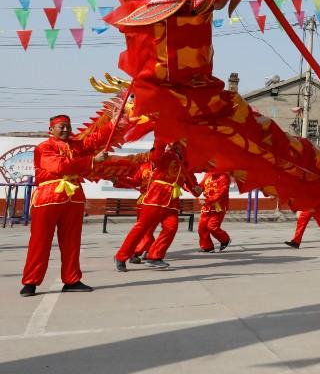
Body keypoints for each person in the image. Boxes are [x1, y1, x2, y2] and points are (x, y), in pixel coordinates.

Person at [20, 114, 108, 296]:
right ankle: (31, 282)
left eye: (68, 126)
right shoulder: (45, 147)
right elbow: (60, 167)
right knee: (39, 242)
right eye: (62, 126)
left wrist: (116, 120)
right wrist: (91, 161)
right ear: (50, 130)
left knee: (72, 242)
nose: (66, 129)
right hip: (48, 198)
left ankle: (72, 279)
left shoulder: (76, 146)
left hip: (73, 198)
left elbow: (95, 140)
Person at [114, 140, 202, 271]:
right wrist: (161, 138)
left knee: (171, 228)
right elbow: (155, 157)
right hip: (155, 198)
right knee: (142, 229)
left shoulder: (186, 166)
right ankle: (121, 256)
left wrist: (197, 190)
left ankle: (155, 257)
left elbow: (193, 188)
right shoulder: (165, 156)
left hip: (172, 202)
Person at [198, 171, 232, 253]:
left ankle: (225, 240)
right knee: (202, 228)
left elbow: (221, 193)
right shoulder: (207, 175)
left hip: (218, 207)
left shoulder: (224, 176)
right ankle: (207, 247)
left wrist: (207, 200)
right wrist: (193, 188)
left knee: (212, 226)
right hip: (206, 207)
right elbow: (200, 187)